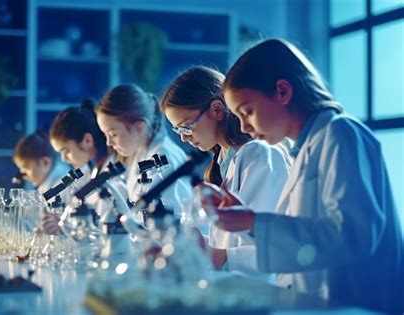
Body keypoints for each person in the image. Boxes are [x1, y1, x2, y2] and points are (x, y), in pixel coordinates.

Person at [215, 38, 403, 313]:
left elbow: (354, 235)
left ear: (282, 92)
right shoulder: (305, 148)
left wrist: (256, 222)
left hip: (358, 305)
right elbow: (306, 239)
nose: (244, 127)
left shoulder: (341, 133)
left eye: (247, 112)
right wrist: (250, 222)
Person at [160, 66, 290, 282]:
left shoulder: (258, 155)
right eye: (178, 131)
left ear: (217, 110)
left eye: (186, 127)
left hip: (258, 291)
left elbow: (269, 240)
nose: (184, 138)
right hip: (234, 287)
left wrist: (215, 256)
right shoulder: (224, 164)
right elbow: (228, 238)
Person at [96, 84, 192, 219]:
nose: (109, 143)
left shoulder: (164, 158)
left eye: (113, 134)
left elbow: (174, 216)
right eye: (105, 135)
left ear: (140, 128)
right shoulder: (141, 154)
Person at [41, 99, 118, 235]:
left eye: (67, 151)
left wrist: (65, 228)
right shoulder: (93, 171)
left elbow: (104, 226)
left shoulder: (113, 174)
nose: (64, 159)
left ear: (87, 141)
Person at [13, 130, 71, 203]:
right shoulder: (45, 186)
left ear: (45, 162)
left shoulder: (62, 188)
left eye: (27, 167)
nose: (23, 176)